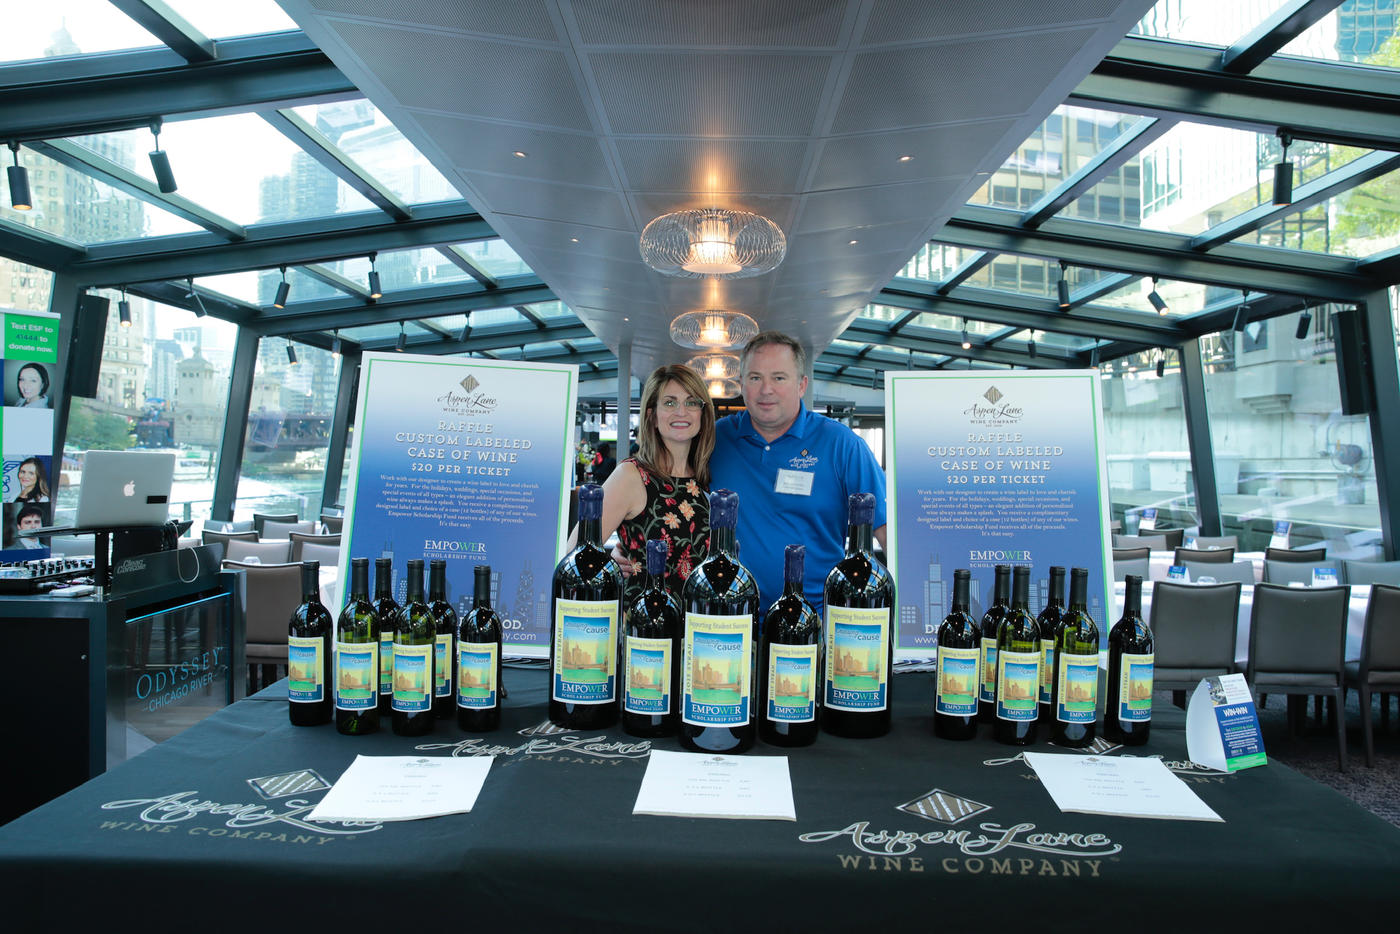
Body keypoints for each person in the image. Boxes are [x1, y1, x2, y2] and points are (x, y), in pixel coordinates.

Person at [710, 331, 887, 612]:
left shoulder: (842, 446)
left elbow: (887, 532)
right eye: (755, 378)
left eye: (779, 378)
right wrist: (633, 546)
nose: (766, 389)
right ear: (741, 384)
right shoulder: (714, 441)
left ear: (802, 385)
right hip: (730, 619)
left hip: (813, 624)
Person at [571, 364, 714, 601]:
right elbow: (574, 554)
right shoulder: (631, 476)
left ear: (702, 413)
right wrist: (611, 567)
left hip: (699, 627)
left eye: (691, 402)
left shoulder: (706, 476)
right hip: (645, 630)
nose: (681, 411)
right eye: (669, 402)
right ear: (652, 416)